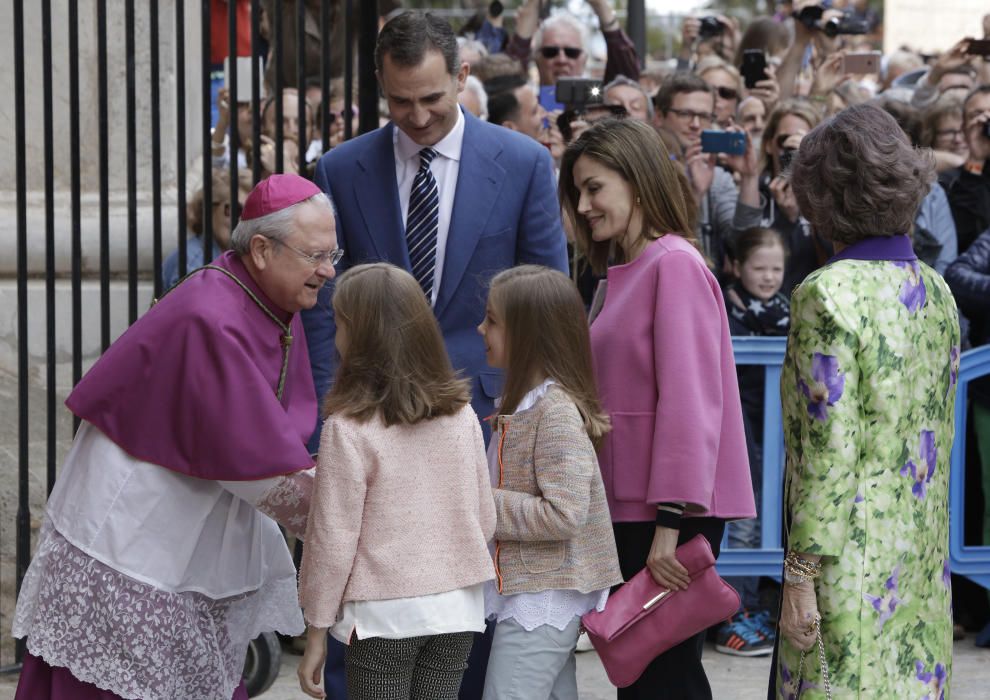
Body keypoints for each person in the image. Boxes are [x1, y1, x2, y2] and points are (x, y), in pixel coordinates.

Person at [307, 12, 568, 699]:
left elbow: (547, 305)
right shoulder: (341, 168)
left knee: (468, 617)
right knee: (367, 623)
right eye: (400, 102)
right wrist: (325, 415)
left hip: (483, 420)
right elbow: (321, 304)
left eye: (431, 98)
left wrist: (539, 428)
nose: (417, 117)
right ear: (379, 89)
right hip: (370, 423)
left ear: (461, 78)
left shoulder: (521, 163)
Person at [12, 174, 340, 700]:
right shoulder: (211, 317)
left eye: (333, 253)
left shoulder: (265, 296)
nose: (327, 270)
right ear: (261, 249)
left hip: (183, 532)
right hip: (134, 543)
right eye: (315, 255)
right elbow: (254, 468)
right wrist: (355, 513)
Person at [560, 118, 756, 699]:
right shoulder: (626, 270)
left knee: (662, 678)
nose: (584, 204)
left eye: (594, 187)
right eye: (578, 191)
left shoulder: (673, 263)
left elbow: (690, 403)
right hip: (637, 509)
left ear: (637, 181)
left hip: (667, 511)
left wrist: (670, 525)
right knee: (643, 675)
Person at [772, 104, 960, 698]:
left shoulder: (825, 295)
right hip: (922, 564)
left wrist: (799, 577)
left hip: (847, 567)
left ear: (821, 197)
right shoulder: (935, 290)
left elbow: (829, 455)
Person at [297, 263, 496, 700]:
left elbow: (332, 539)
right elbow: (484, 516)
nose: (336, 337)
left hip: (381, 612)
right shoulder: (462, 415)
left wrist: (316, 629)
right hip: (455, 606)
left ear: (362, 336)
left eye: (341, 325)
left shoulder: (348, 429)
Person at [476, 266, 623, 699]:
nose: (480, 328)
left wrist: (478, 503)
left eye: (493, 320)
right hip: (534, 591)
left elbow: (564, 513)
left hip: (544, 597)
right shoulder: (525, 405)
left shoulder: (554, 412)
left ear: (527, 335)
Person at [715, 227, 790, 658]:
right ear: (738, 267)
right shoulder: (726, 305)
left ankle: (752, 604)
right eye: (759, 268)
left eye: (776, 268)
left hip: (774, 424)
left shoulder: (785, 308)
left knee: (767, 520)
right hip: (737, 424)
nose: (767, 276)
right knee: (741, 522)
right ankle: (731, 614)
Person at [652, 72, 762, 278]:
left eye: (704, 116)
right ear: (659, 116)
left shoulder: (718, 177)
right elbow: (657, 248)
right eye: (685, 114)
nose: (695, 124)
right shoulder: (642, 170)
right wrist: (694, 194)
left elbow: (744, 247)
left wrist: (749, 177)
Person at [756, 99, 824, 293]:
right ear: (769, 144)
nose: (791, 148)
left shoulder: (825, 197)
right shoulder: (754, 191)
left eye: (803, 141)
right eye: (783, 139)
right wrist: (786, 222)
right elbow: (743, 254)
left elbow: (834, 255)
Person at [506, 0, 639, 88]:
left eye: (572, 53)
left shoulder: (598, 109)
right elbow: (505, 83)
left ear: (585, 58)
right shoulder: (525, 107)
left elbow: (626, 80)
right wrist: (531, 8)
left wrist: (601, 7)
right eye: (550, 52)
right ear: (536, 57)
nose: (562, 59)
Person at [162, 169, 249, 290]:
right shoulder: (193, 262)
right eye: (235, 209)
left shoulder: (240, 257)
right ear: (210, 210)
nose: (241, 220)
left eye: (250, 212)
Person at [942, 85, 990, 254]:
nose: (985, 121)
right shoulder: (949, 181)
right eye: (976, 115)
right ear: (964, 128)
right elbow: (963, 239)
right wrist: (976, 160)